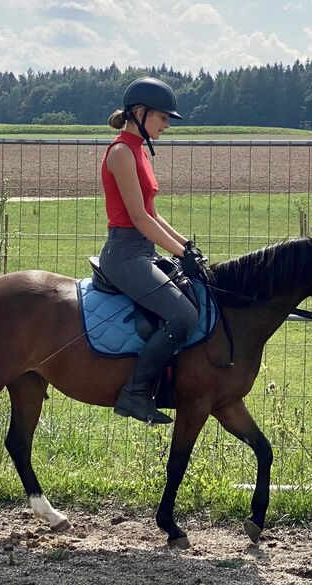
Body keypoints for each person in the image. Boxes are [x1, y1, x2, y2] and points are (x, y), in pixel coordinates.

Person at [99, 77, 206, 425]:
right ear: (141, 113)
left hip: (141, 250)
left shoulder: (139, 151)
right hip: (125, 255)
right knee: (184, 317)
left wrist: (186, 246)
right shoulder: (120, 153)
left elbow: (154, 212)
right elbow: (139, 217)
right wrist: (179, 252)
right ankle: (134, 393)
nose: (167, 124)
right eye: (163, 117)